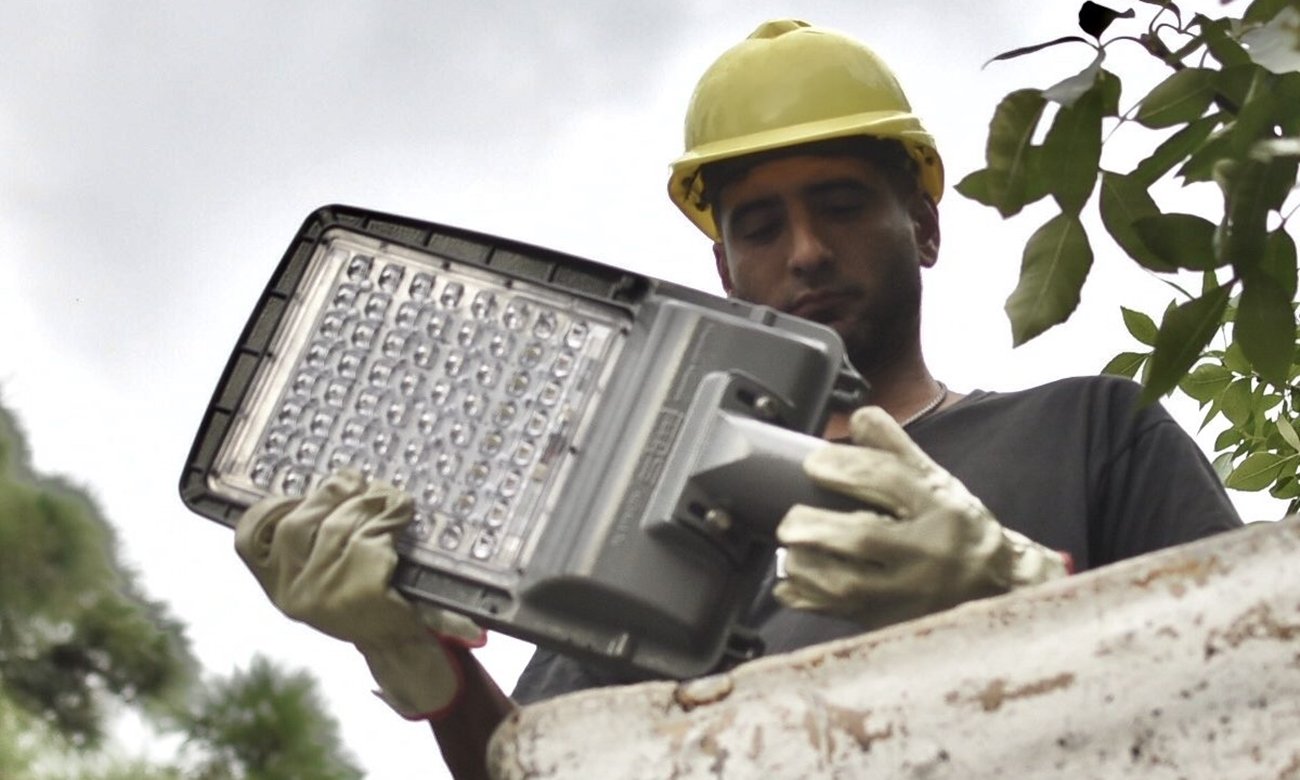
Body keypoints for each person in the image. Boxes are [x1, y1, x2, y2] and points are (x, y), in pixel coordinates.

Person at [232, 19, 1243, 779]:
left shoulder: (1087, 433)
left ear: (923, 228)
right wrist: (422, 667)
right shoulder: (641, 559)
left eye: (841, 205)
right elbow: (545, 766)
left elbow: (1255, 702)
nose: (804, 250)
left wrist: (1015, 593)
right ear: (723, 270)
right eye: (760, 226)